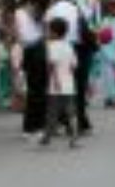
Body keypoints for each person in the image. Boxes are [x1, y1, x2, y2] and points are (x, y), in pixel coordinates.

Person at [46, 0, 93, 134]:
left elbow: (48, 32)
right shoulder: (75, 7)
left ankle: (62, 122)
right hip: (79, 49)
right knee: (78, 87)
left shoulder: (51, 10)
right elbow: (87, 25)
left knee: (59, 89)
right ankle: (81, 122)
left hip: (60, 47)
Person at [39, 17, 79, 148]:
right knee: (70, 110)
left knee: (52, 111)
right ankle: (74, 135)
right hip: (69, 82)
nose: (48, 33)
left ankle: (47, 136)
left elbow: (51, 65)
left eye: (49, 31)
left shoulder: (52, 46)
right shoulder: (69, 46)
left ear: (54, 33)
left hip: (56, 83)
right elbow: (74, 65)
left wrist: (55, 80)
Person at [15, 0, 47, 139]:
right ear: (29, 2)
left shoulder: (36, 16)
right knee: (35, 91)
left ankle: (37, 125)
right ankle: (30, 127)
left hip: (38, 51)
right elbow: (25, 37)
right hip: (32, 52)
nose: (36, 7)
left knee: (39, 90)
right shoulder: (20, 13)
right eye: (34, 4)